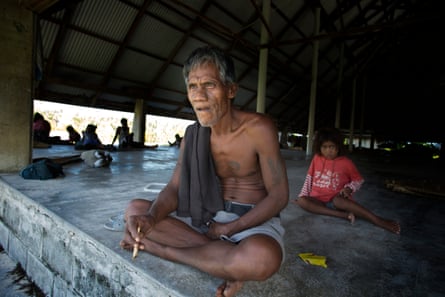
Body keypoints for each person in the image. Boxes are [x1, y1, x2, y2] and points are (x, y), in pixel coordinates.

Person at [119, 46, 289, 297]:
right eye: (192, 87)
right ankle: (223, 263)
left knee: (261, 258)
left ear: (231, 90)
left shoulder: (258, 128)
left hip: (251, 221)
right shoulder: (192, 136)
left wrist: (229, 229)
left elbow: (279, 195)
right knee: (136, 210)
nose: (199, 95)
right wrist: (152, 217)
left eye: (209, 85)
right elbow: (175, 188)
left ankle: (163, 250)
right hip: (205, 219)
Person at [292, 127, 401, 234]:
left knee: (338, 200)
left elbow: (358, 180)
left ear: (338, 146)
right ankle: (342, 215)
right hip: (317, 200)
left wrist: (349, 188)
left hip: (337, 201)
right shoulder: (316, 158)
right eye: (324, 147)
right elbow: (309, 178)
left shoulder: (346, 162)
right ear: (319, 147)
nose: (328, 151)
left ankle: (378, 220)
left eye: (332, 147)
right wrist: (304, 195)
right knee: (301, 200)